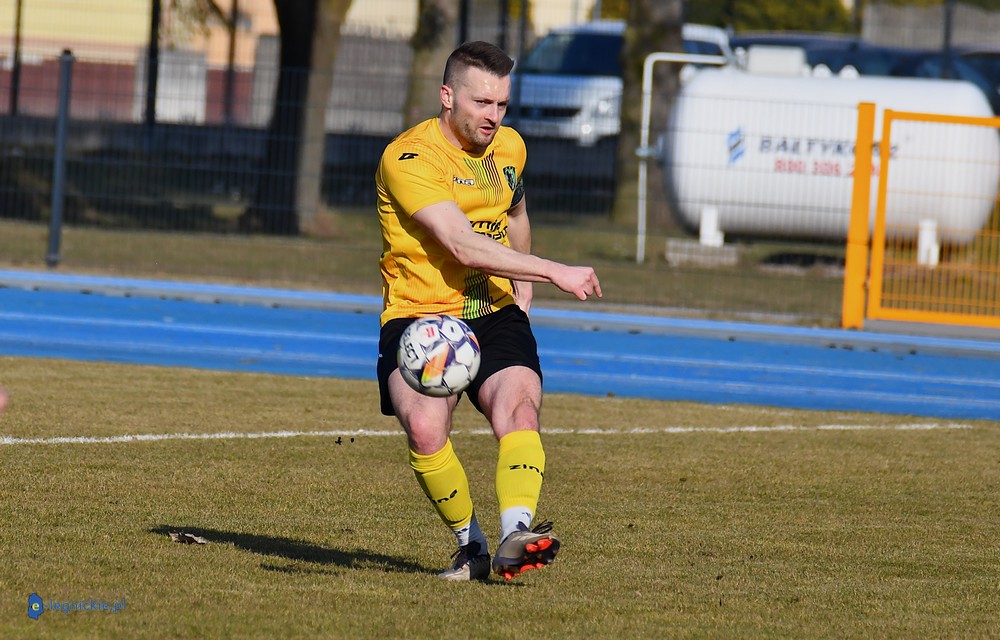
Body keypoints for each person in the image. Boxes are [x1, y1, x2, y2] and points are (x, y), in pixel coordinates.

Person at [375, 40, 602, 582]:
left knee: (520, 410)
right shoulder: (409, 158)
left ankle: (514, 535)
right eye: (481, 103)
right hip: (422, 315)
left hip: (493, 308)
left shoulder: (510, 147)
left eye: (501, 104)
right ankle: (471, 546)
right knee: (425, 429)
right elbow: (460, 243)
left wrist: (522, 282)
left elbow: (515, 212)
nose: (493, 116)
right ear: (447, 96)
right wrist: (550, 270)